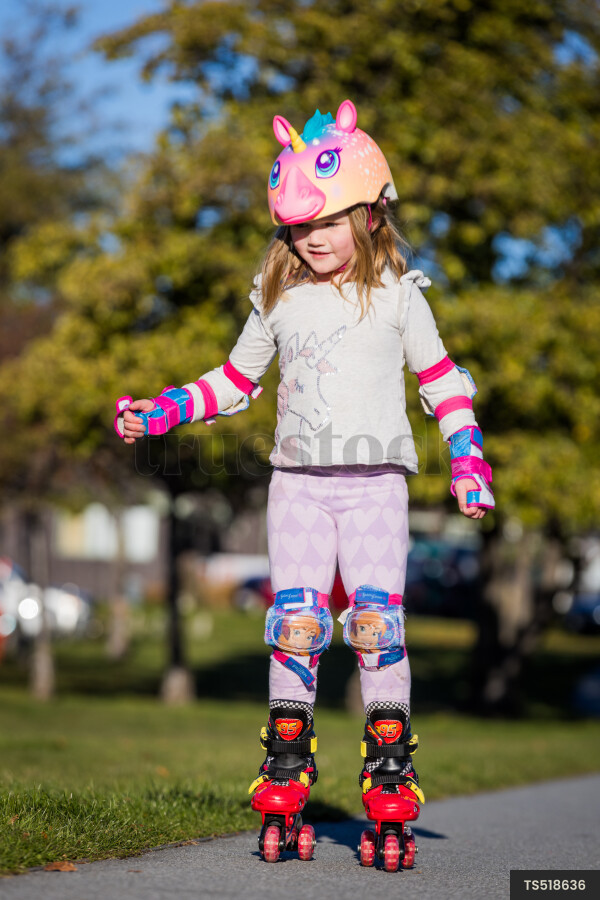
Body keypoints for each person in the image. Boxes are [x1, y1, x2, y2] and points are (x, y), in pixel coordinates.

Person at [115, 98, 494, 858]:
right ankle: (286, 769)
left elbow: (444, 379)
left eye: (326, 224)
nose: (312, 239)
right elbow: (233, 379)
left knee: (378, 629)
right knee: (295, 627)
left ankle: (389, 775)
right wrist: (163, 412)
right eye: (299, 228)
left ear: (370, 216)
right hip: (298, 487)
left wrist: (468, 458)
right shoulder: (278, 298)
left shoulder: (400, 297)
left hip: (376, 485)